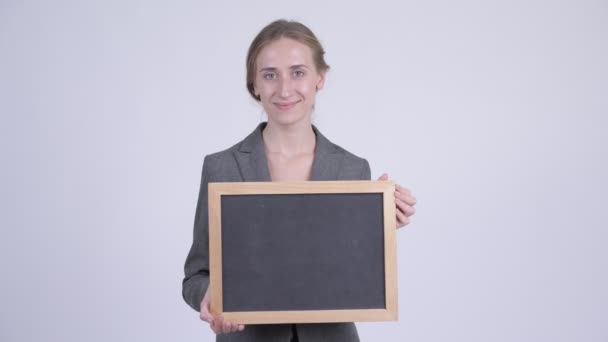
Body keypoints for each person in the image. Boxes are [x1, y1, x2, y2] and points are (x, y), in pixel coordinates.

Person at [182, 19, 417, 342]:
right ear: (254, 84)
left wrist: (379, 226)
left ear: (320, 78)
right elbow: (196, 275)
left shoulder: (351, 169)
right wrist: (211, 296)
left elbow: (350, 273)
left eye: (298, 72)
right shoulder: (222, 168)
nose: (284, 89)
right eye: (269, 75)